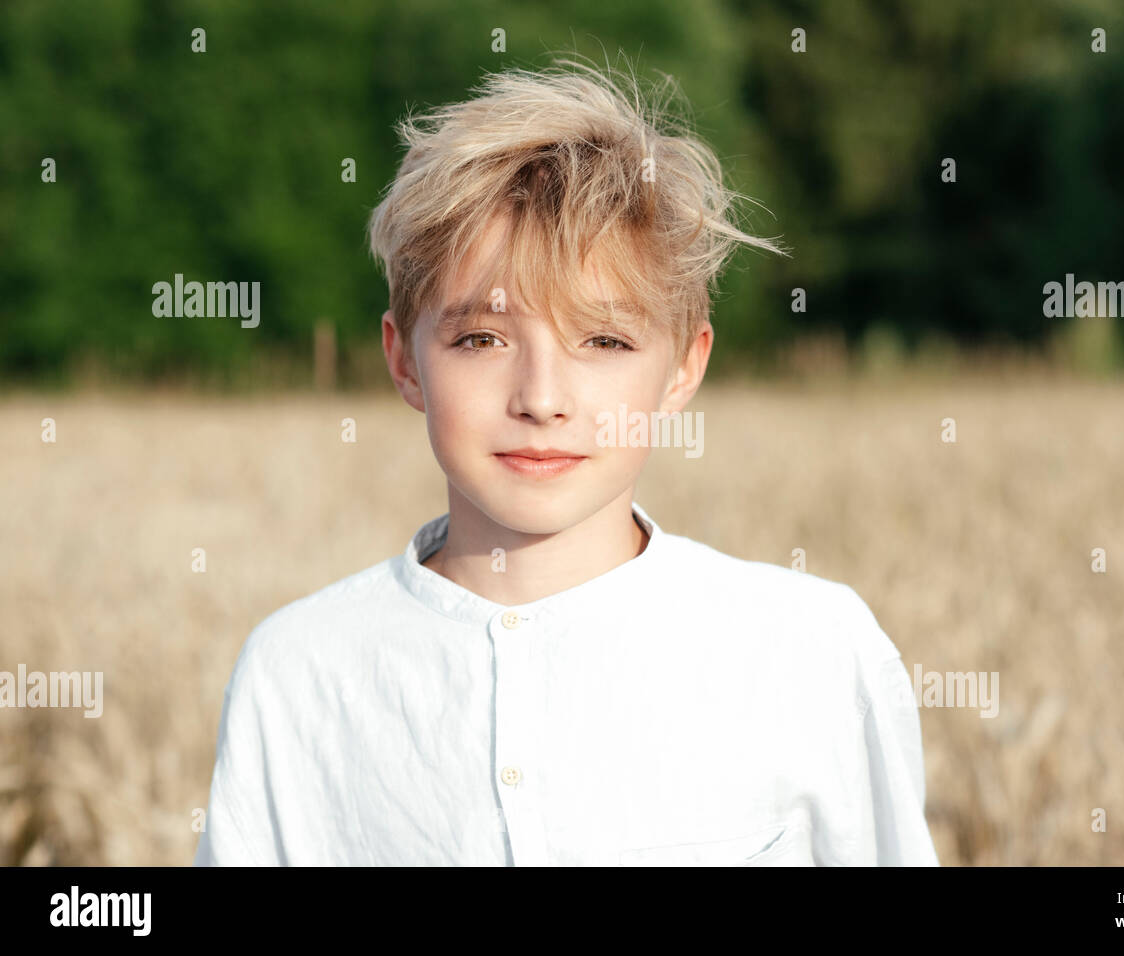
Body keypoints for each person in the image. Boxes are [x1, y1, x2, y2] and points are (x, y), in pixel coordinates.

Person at [194, 53, 939, 866]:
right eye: (482, 339)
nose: (542, 398)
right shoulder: (298, 673)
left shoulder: (812, 653)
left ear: (684, 366)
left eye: (605, 340)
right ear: (404, 360)